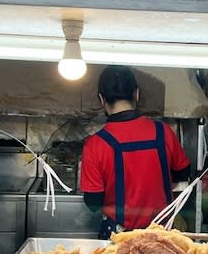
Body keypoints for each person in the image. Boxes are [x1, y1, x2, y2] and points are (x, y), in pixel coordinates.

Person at [80, 65, 191, 239]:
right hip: (161, 235)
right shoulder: (163, 132)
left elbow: (93, 202)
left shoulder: (95, 144)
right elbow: (183, 174)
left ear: (101, 99)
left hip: (118, 237)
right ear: (136, 94)